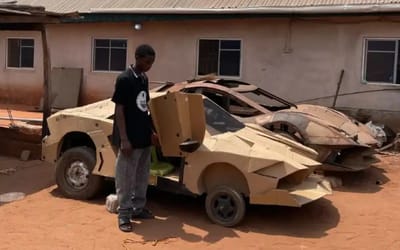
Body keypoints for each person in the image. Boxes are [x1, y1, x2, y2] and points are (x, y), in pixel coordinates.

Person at [111, 44, 156, 232]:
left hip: (143, 136)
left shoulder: (144, 78)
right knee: (126, 177)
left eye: (152, 63)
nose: (149, 66)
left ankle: (138, 207)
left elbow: (144, 107)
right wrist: (124, 139)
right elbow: (119, 110)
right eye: (147, 62)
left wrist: (152, 131)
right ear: (137, 57)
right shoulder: (124, 79)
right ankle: (124, 215)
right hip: (129, 138)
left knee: (141, 175)